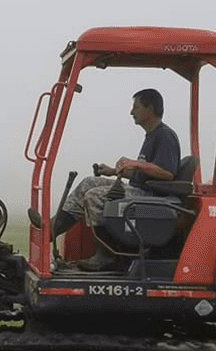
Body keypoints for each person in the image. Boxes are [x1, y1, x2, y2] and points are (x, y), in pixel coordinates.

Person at [52, 88, 181, 269]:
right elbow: (145, 172)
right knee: (89, 183)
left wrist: (135, 163)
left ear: (149, 108)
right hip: (140, 189)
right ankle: (52, 229)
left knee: (94, 196)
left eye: (135, 107)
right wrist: (113, 171)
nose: (131, 112)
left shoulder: (164, 135)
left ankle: (107, 254)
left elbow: (167, 173)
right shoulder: (152, 135)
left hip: (152, 196)